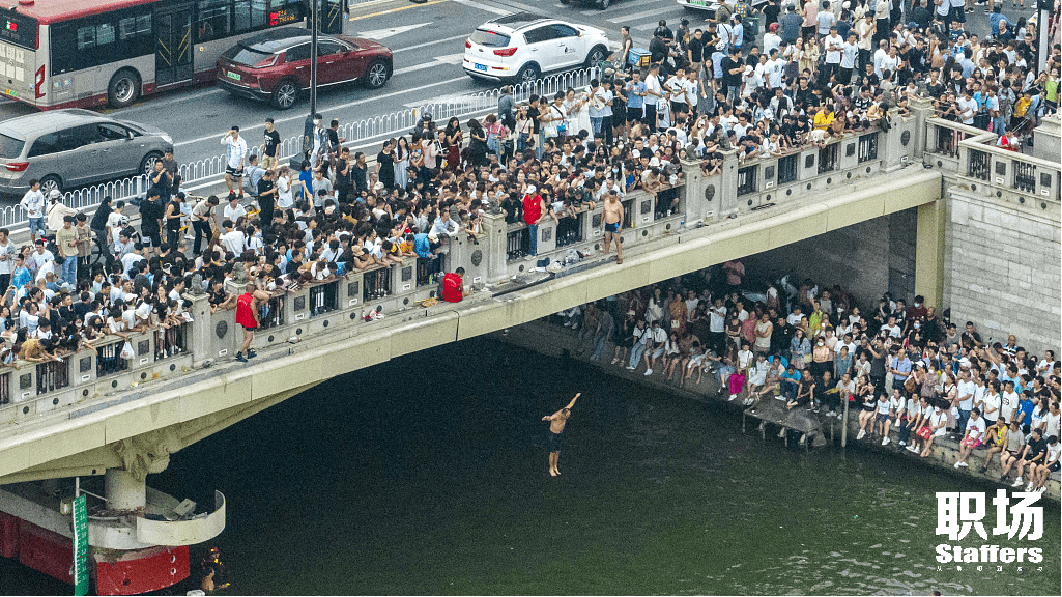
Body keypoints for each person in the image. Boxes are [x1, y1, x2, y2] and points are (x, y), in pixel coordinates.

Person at [542, 392, 580, 477]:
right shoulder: (557, 415)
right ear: (563, 415)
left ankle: (555, 466)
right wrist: (546, 418)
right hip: (553, 435)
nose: (568, 417)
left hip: (559, 434)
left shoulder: (566, 409)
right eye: (567, 416)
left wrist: (576, 396)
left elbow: (571, 403)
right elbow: (550, 418)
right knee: (552, 452)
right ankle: (551, 468)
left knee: (557, 451)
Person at [234, 283, 267, 363]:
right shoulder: (251, 300)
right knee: (249, 338)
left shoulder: (240, 297)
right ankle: (239, 353)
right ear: (253, 291)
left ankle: (249, 352)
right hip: (249, 320)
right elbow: (254, 312)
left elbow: (235, 305)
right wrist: (257, 322)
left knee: (245, 337)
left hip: (242, 319)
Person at [221, 125, 248, 197]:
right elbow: (222, 142)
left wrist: (240, 164)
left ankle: (240, 193)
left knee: (239, 179)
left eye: (234, 133)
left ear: (237, 132)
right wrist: (227, 135)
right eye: (232, 133)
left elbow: (243, 154)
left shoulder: (242, 141)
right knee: (227, 176)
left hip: (238, 163)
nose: (233, 134)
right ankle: (232, 192)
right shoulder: (230, 139)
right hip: (231, 163)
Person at [599, 190, 624, 264]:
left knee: (617, 241)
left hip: (615, 224)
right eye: (610, 198)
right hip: (607, 223)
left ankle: (620, 256)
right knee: (607, 240)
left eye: (613, 198)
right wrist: (601, 222)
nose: (611, 200)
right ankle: (606, 255)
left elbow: (622, 216)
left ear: (615, 197)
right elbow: (604, 212)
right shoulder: (606, 202)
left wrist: (620, 226)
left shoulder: (618, 204)